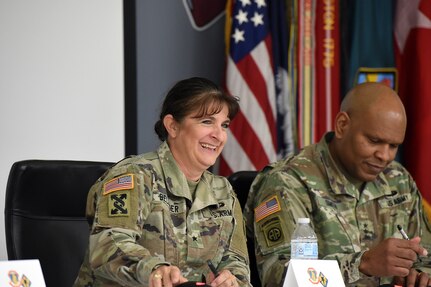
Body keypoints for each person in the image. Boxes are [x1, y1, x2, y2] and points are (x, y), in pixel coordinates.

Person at [244, 82, 431, 287]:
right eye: (374, 140)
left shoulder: (398, 179)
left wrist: (421, 273)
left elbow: (426, 257)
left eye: (393, 146)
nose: (384, 156)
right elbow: (279, 278)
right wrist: (363, 264)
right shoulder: (288, 182)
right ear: (342, 125)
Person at [74, 77, 251, 287]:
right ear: (172, 126)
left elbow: (236, 260)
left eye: (224, 125)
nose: (219, 135)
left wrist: (230, 278)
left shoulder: (224, 192)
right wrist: (155, 270)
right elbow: (109, 246)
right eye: (206, 122)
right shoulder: (133, 176)